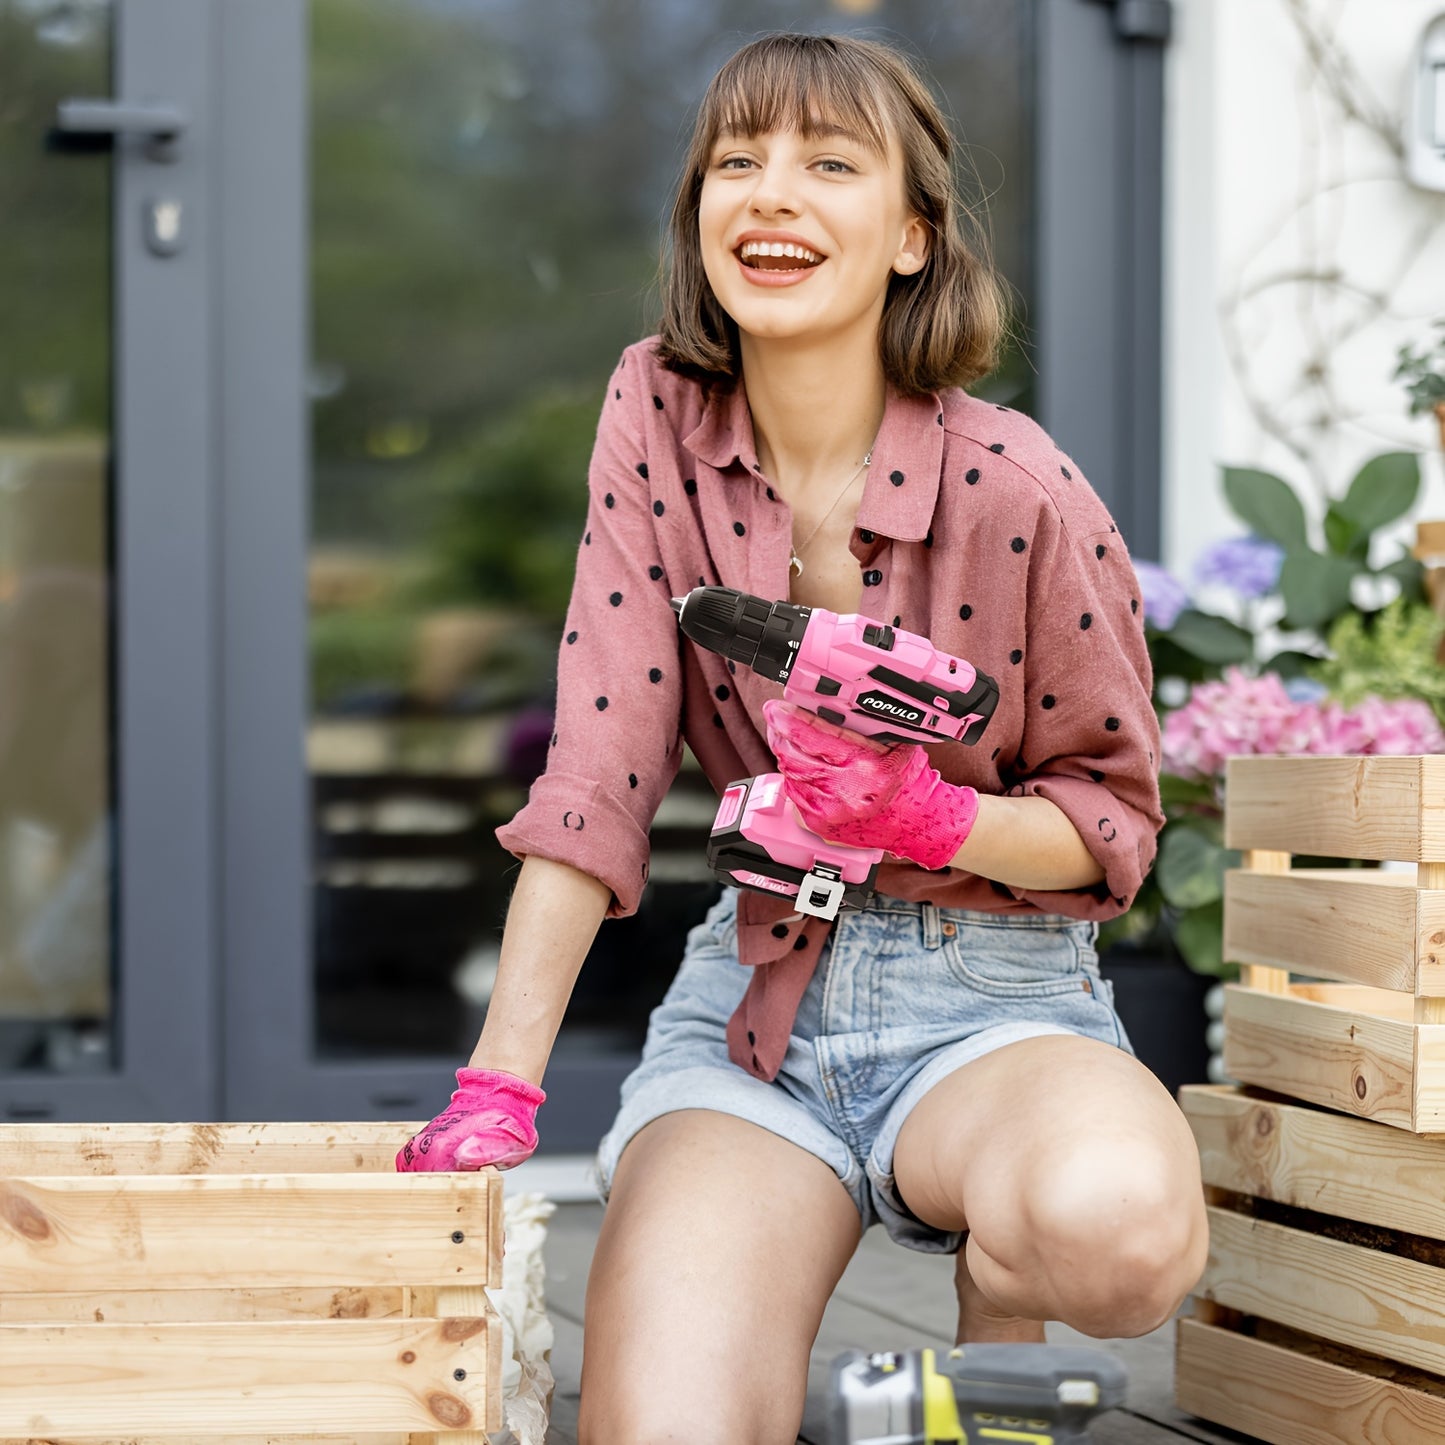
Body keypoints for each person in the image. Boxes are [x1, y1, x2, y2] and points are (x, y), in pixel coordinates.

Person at [398, 31, 1208, 1443]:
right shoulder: (656, 411)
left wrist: (932, 817)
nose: (770, 194)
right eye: (736, 161)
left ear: (909, 235)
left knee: (1117, 1227)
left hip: (994, 1001)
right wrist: (497, 1080)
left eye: (827, 164)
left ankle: (986, 1365)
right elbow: (597, 763)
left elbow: (1113, 822)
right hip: (759, 1004)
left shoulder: (1019, 489)